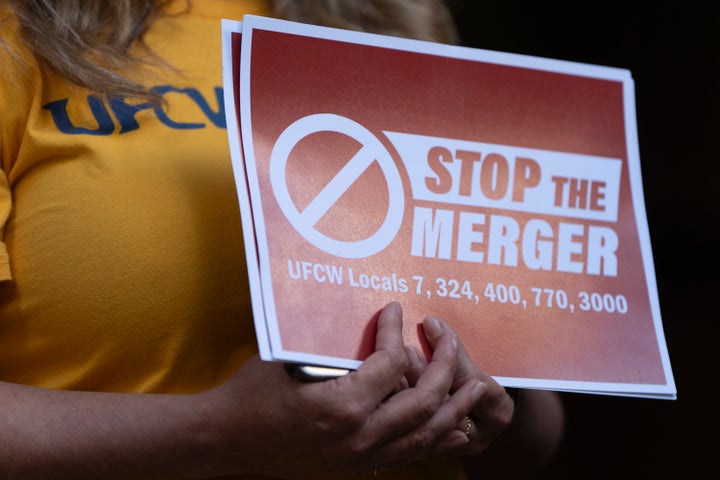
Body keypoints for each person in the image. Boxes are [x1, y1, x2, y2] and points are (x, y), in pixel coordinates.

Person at [0, 0, 565, 478]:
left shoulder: (393, 23)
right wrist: (215, 431)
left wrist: (475, 408)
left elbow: (533, 439)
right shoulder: (20, 36)